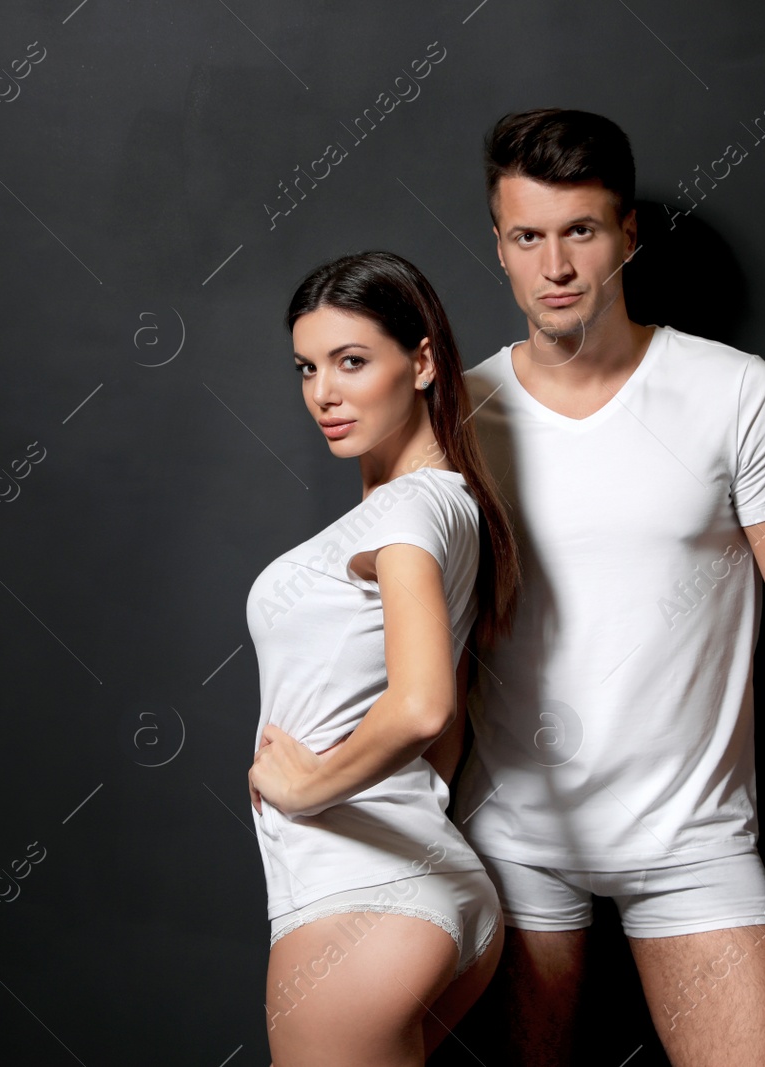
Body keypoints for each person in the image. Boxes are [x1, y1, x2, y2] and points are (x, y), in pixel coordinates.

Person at [451, 108, 765, 1066]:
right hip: (512, 842)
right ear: (500, 247)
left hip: (693, 843)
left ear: (628, 235)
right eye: (529, 236)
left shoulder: (735, 394)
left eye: (582, 232)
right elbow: (408, 649)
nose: (555, 266)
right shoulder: (459, 422)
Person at [245, 250, 522, 1066]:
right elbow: (443, 743)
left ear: (424, 361)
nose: (323, 393)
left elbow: (424, 705)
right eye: (307, 367)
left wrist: (304, 786)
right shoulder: (447, 505)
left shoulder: (404, 512)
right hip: (433, 889)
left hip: (355, 894)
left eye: (352, 361)